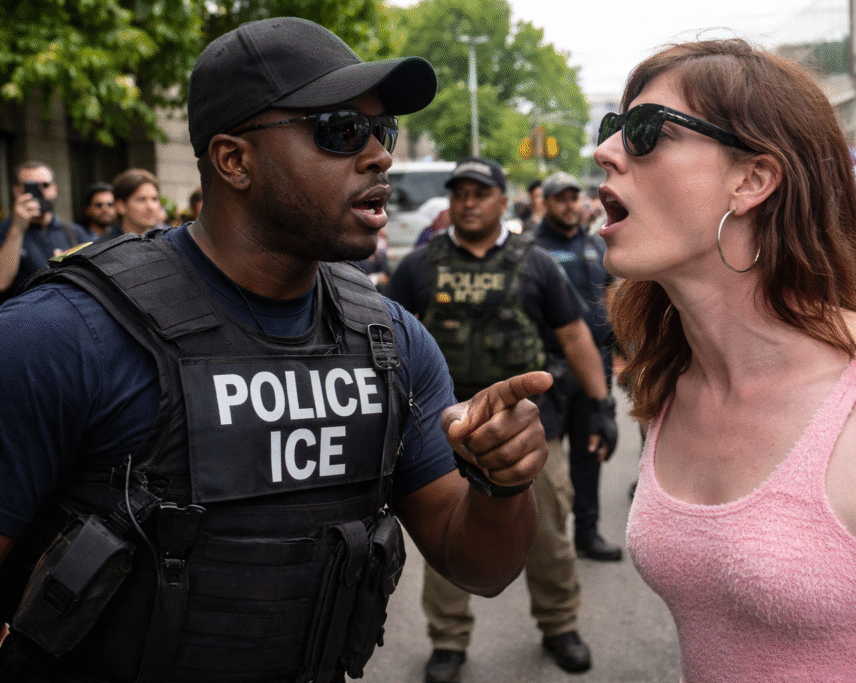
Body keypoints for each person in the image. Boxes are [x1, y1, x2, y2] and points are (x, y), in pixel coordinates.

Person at [0, 17, 554, 683]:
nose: (379, 156)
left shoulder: (391, 341)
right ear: (234, 160)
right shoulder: (60, 335)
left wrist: (500, 480)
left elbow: (479, 567)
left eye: (384, 132)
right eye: (342, 130)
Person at [594, 39, 856, 682]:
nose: (605, 150)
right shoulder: (676, 383)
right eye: (612, 129)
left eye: (644, 131)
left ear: (752, 180)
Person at [387, 156, 615, 682]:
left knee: (550, 534)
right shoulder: (420, 265)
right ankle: (447, 641)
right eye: (460, 192)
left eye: (480, 192)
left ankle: (559, 625)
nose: (468, 202)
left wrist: (601, 405)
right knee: (445, 534)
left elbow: (575, 336)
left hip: (530, 427)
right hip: (444, 427)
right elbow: (385, 335)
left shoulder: (535, 263)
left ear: (500, 198)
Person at [533, 170, 621, 562]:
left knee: (590, 453)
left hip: (594, 370)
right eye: (560, 198)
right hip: (547, 371)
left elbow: (610, 299)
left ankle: (587, 533)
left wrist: (622, 350)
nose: (570, 205)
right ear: (545, 203)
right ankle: (544, 542)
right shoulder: (531, 250)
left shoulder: (594, 246)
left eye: (574, 198)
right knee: (543, 462)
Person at [0, 161, 90, 302]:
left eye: (45, 185)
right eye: (32, 187)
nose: (40, 192)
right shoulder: (5, 231)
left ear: (54, 189)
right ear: (17, 191)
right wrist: (17, 228)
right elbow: (1, 282)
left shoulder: (73, 231)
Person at [100, 168, 164, 240]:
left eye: (154, 199)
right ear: (120, 206)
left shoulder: (170, 242)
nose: (151, 207)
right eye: (141, 200)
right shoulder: (103, 248)